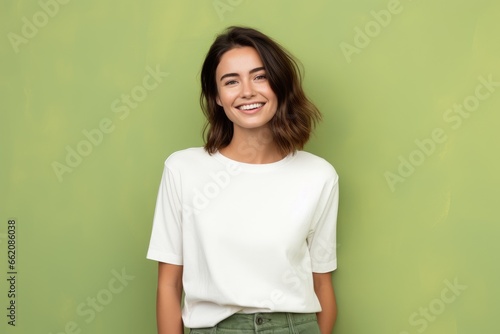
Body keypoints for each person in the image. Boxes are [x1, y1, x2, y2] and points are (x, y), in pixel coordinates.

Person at [147, 26, 339, 334]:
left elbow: (322, 282)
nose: (247, 91)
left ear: (279, 85)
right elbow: (168, 285)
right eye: (231, 81)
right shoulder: (182, 169)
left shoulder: (318, 175)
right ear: (217, 97)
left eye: (260, 76)